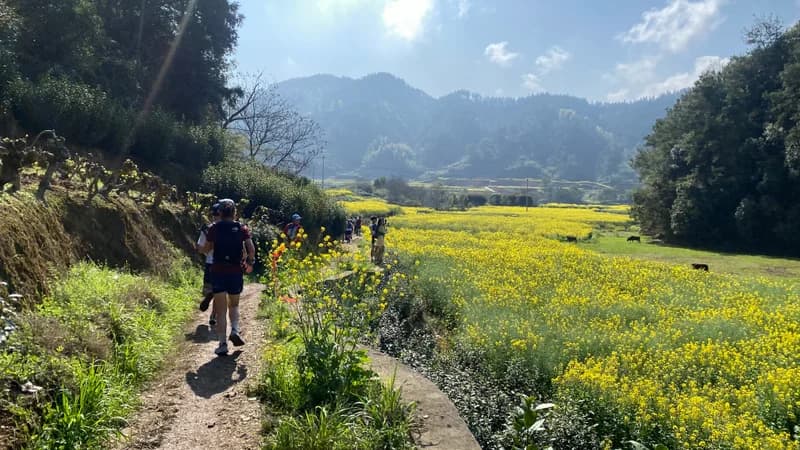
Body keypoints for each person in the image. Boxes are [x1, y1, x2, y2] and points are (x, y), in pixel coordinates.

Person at [201, 199, 256, 356]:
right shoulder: (241, 228)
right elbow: (251, 249)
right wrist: (249, 263)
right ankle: (235, 329)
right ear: (234, 213)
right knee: (234, 305)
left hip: (218, 272)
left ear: (220, 213)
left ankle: (222, 344)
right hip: (235, 272)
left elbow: (207, 248)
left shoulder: (213, 228)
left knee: (221, 310)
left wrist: (201, 248)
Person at [196, 203, 221, 327]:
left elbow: (201, 249)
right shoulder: (236, 228)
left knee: (209, 289)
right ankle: (213, 315)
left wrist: (208, 247)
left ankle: (210, 295)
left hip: (211, 263)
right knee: (220, 291)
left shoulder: (207, 229)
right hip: (227, 265)